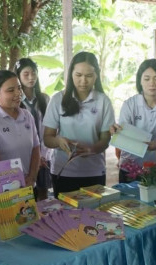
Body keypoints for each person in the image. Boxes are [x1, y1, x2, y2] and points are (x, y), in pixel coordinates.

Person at [43, 51, 115, 198]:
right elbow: (47, 138)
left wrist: (92, 149)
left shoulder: (103, 101)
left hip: (94, 171)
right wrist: (58, 141)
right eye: (78, 75)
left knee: (93, 217)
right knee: (64, 218)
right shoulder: (58, 100)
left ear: (96, 75)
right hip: (63, 171)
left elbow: (105, 139)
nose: (83, 81)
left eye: (89, 76)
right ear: (71, 74)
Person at [111, 58, 156, 183]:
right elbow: (123, 132)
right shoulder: (129, 104)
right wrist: (116, 132)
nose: (152, 84)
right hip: (130, 167)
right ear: (140, 81)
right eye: (147, 79)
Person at [0, 70, 40, 189]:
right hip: (4, 189)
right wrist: (15, 183)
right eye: (11, 90)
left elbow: (35, 148)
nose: (18, 93)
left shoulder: (27, 115)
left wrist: (32, 177)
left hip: (28, 185)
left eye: (19, 88)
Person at [13, 58, 51, 201]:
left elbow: (49, 129)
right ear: (18, 76)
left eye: (34, 73)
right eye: (26, 74)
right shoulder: (15, 101)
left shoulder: (44, 99)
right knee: (25, 197)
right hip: (24, 157)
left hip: (44, 156)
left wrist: (44, 155)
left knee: (43, 194)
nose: (31, 77)